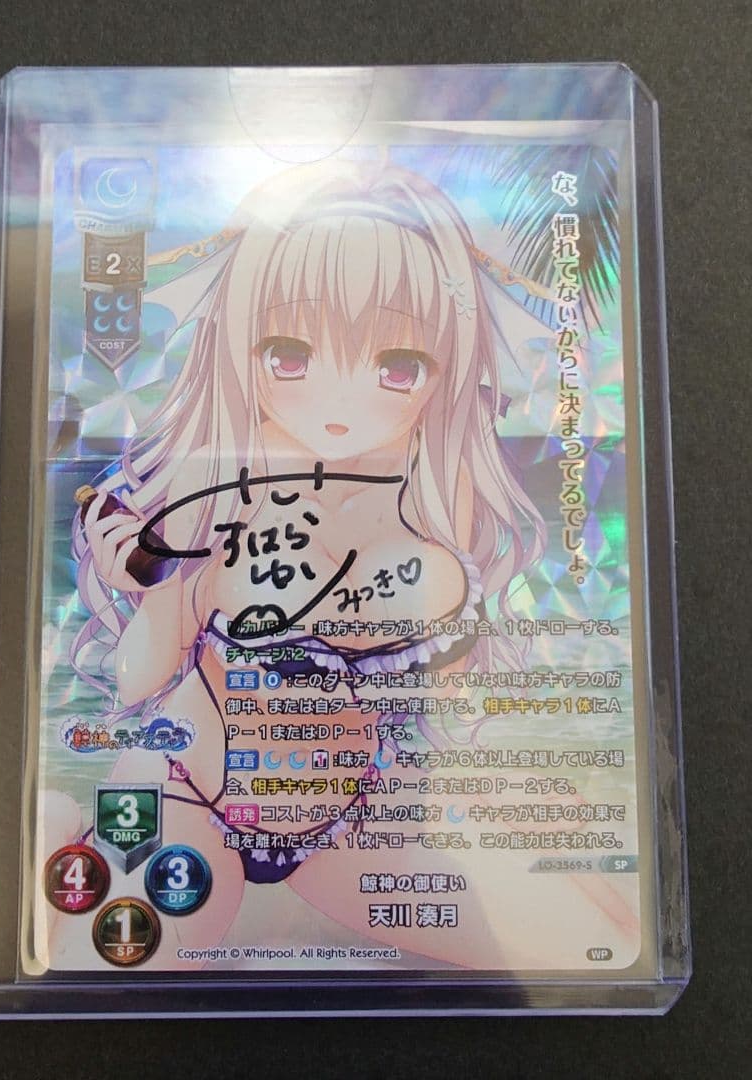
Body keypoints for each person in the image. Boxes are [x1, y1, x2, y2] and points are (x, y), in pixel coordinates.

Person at [43, 159, 639, 971]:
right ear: (242, 342)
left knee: (604, 946)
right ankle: (54, 828)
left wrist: (508, 784)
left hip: (350, 826)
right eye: (288, 354)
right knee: (97, 970)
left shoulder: (440, 492)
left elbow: (447, 696)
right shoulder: (219, 486)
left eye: (396, 367)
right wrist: (147, 589)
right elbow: (140, 678)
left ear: (445, 360)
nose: (337, 403)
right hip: (189, 791)